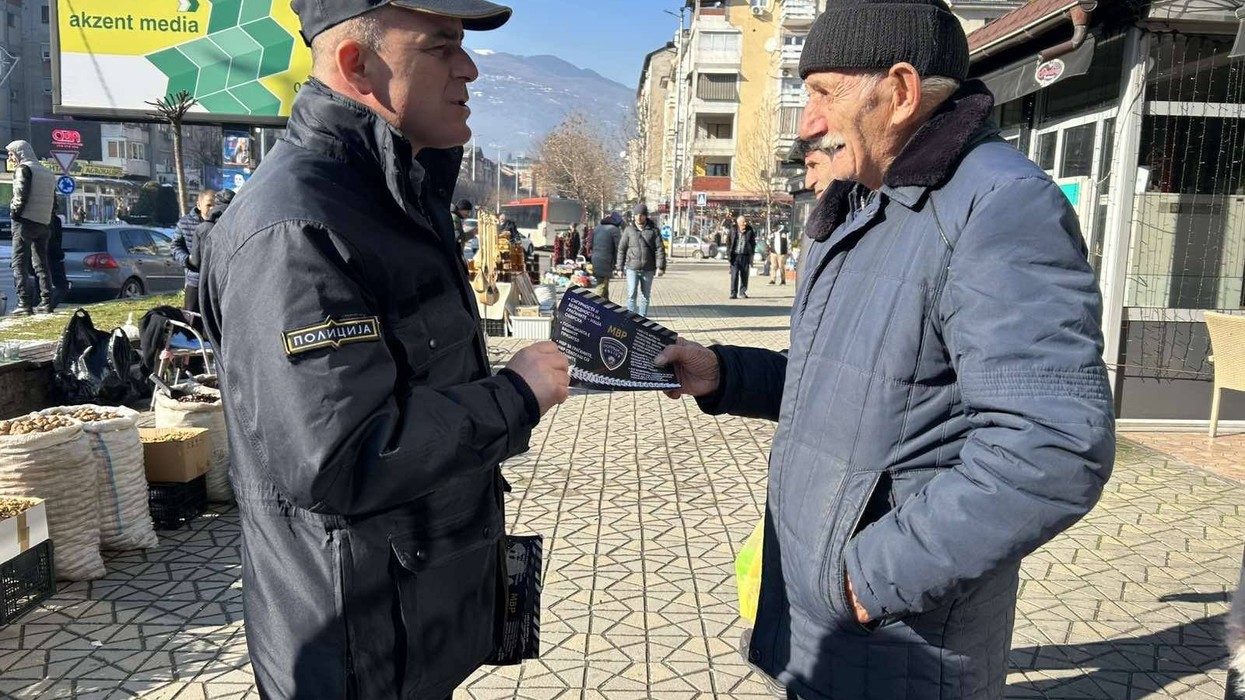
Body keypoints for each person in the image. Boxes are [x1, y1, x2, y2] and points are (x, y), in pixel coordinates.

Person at [654, 1, 1115, 697]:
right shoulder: (865, 201)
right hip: (822, 622)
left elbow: (1051, 445)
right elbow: (857, 382)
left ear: (900, 92)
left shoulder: (999, 205)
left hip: (900, 640)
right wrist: (725, 374)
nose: (807, 123)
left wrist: (865, 580)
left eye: (823, 93)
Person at [199, 2, 571, 699]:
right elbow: (339, 458)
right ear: (356, 64)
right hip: (357, 649)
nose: (469, 69)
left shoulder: (391, 199)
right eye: (440, 47)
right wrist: (515, 396)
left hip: (410, 626)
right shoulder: (298, 229)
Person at [5, 140, 55, 315]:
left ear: (19, 153)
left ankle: (24, 303)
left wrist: (14, 214)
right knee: (41, 263)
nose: (10, 158)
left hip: (24, 222)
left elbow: (20, 196)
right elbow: (54, 202)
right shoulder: (47, 172)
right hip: (43, 223)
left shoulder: (23, 169)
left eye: (11, 154)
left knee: (19, 263)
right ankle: (47, 302)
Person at [188, 188, 235, 313]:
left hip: (206, 285)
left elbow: (195, 262)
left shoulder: (202, 228)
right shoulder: (240, 226)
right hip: (232, 285)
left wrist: (188, 261)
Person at [616, 203, 665, 317]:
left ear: (646, 216)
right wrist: (619, 268)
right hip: (632, 268)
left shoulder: (653, 231)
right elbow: (621, 249)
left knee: (645, 296)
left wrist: (660, 267)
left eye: (641, 215)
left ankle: (642, 319)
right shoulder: (629, 230)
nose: (639, 217)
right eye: (637, 215)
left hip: (648, 268)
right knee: (631, 294)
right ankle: (631, 320)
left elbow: (660, 249)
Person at [171, 190, 214, 314]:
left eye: (215, 205)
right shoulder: (185, 223)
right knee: (192, 317)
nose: (212, 208)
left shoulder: (221, 222)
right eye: (209, 205)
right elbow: (175, 247)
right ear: (199, 205)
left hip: (216, 282)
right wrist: (188, 260)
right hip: (194, 281)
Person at [589, 212, 623, 300]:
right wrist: (618, 265)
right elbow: (619, 249)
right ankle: (594, 306)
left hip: (595, 260)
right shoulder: (614, 230)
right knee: (601, 287)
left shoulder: (597, 228)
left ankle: (605, 305)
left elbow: (590, 245)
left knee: (603, 285)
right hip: (606, 261)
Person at [727, 214, 756, 299]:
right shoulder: (733, 229)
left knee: (744, 275)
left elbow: (753, 243)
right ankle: (733, 293)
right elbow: (728, 242)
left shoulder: (749, 230)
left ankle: (742, 292)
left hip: (745, 255)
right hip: (735, 256)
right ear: (738, 222)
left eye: (745, 222)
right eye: (743, 222)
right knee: (734, 275)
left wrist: (752, 254)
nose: (745, 223)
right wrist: (728, 253)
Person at [47, 200, 68, 310]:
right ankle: (48, 306)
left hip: (41, 258)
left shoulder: (37, 221)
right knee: (62, 286)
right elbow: (55, 241)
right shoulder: (54, 221)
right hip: (53, 257)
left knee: (40, 285)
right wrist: (59, 254)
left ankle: (45, 305)